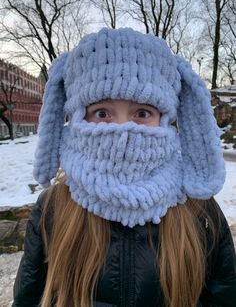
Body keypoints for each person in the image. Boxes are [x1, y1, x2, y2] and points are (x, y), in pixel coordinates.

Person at [12, 28, 236, 307]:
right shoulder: (53, 209)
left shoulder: (199, 210)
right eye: (102, 113)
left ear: (165, 119)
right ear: (79, 117)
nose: (122, 130)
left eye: (142, 113)